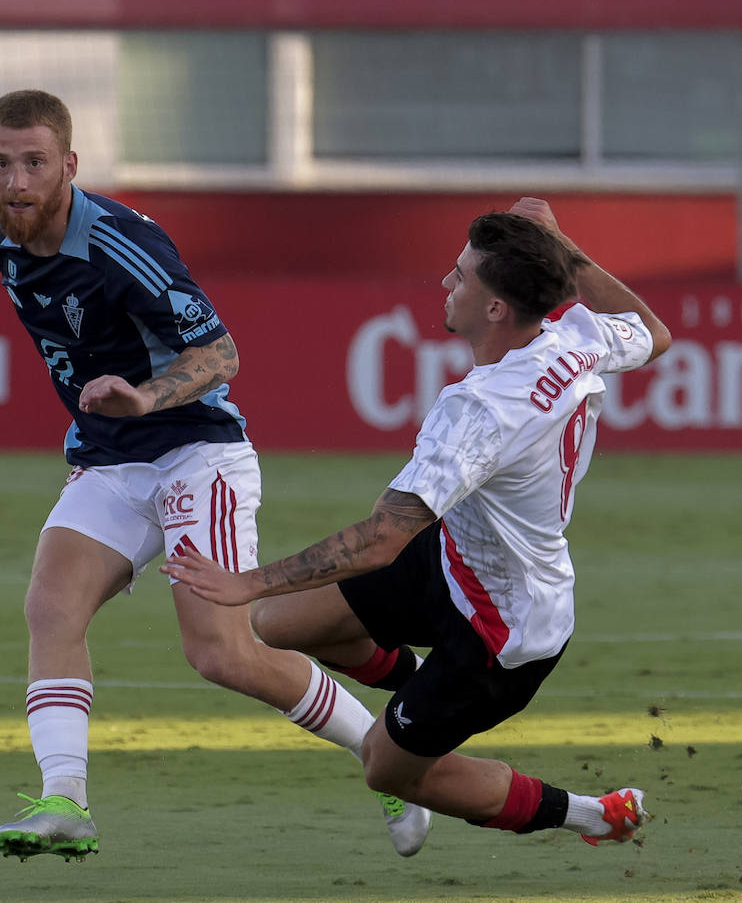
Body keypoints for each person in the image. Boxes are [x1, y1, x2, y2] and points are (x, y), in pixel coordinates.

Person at [0, 88, 432, 862]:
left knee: (221, 653)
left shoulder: (122, 244)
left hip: (195, 452)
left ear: (70, 165)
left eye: (34, 163)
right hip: (111, 461)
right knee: (51, 608)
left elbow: (222, 353)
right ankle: (66, 801)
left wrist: (143, 397)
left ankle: (386, 757)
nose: (15, 182)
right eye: (0, 163)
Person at [163, 197, 671, 847]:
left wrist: (248, 581)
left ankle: (593, 814)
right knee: (280, 625)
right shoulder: (576, 335)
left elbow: (381, 539)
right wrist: (559, 244)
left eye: (462, 275)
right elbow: (653, 332)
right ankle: (417, 694)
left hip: (503, 630)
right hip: (455, 558)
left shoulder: (481, 410)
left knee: (386, 769)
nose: (446, 281)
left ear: (496, 309)